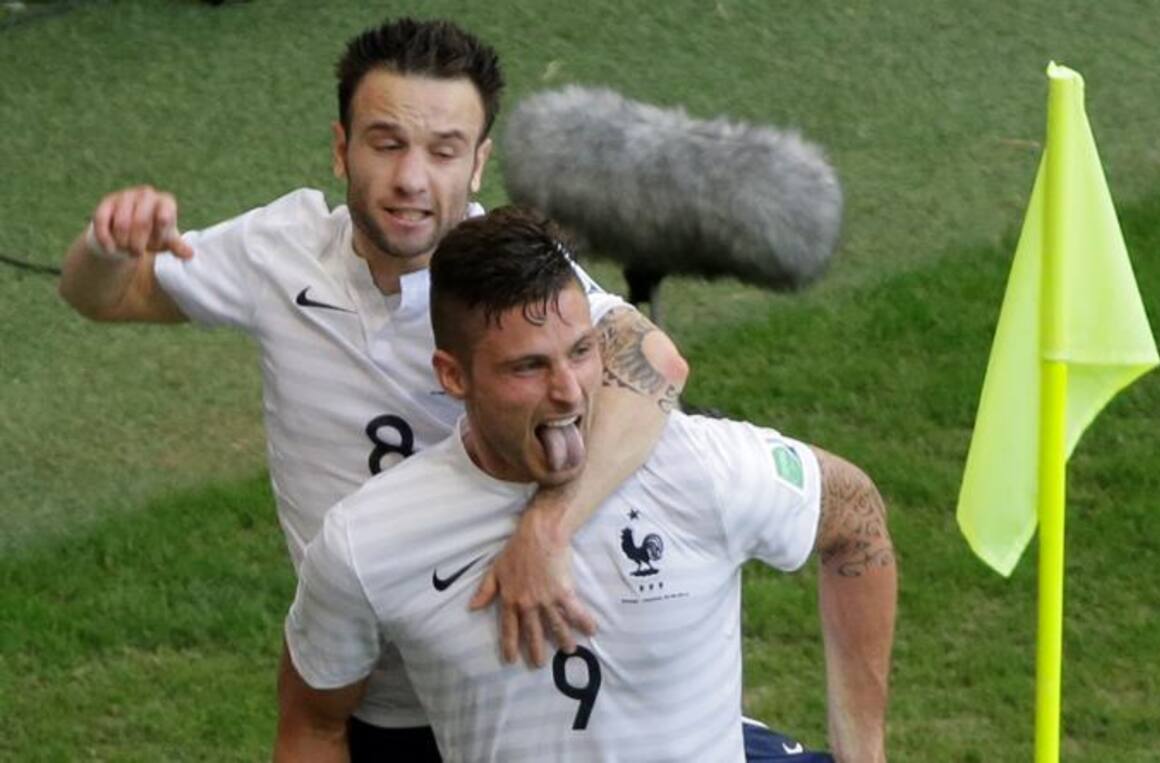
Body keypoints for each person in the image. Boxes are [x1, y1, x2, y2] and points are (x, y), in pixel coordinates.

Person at [57, 18, 688, 760]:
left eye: (443, 150)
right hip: (368, 692)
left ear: (479, 163)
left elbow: (655, 365)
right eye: (386, 143)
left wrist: (546, 529)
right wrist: (106, 245)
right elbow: (104, 296)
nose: (411, 179)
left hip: (521, 679)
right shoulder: (279, 252)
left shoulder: (514, 276)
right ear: (340, 148)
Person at [277, 207, 896, 762]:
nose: (569, 391)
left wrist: (863, 755)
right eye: (528, 367)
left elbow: (857, 519)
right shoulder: (369, 541)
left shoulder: (699, 469)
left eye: (579, 352)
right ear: (453, 376)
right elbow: (312, 724)